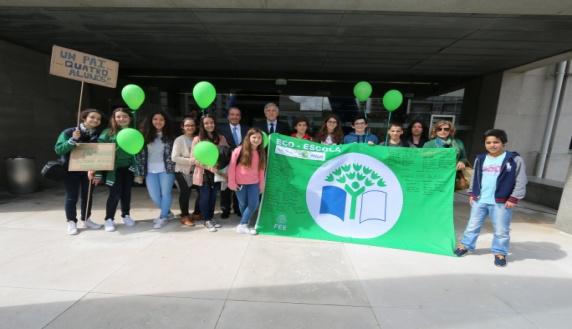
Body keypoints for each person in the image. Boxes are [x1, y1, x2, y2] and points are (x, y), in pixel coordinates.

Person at [454, 129, 527, 267]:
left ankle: (500, 252)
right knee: (472, 226)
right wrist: (472, 193)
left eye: (496, 142)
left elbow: (521, 180)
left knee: (501, 229)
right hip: (480, 200)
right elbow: (475, 177)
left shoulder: (514, 159)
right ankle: (466, 245)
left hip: (501, 202)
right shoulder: (480, 158)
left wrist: (514, 198)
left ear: (503, 143)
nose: (492, 145)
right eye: (488, 142)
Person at [55, 109, 104, 235]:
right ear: (84, 118)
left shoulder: (98, 135)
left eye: (98, 119)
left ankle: (86, 219)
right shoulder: (69, 132)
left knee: (87, 196)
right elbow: (59, 149)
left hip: (89, 170)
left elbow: (100, 153)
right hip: (71, 170)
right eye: (92, 117)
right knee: (72, 197)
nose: (95, 120)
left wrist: (96, 170)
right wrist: (72, 140)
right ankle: (71, 222)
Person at [93, 108, 137, 232]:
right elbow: (100, 153)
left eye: (125, 116)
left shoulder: (134, 132)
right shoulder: (107, 132)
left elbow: (137, 152)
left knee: (126, 193)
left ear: (130, 118)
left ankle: (126, 215)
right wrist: (98, 173)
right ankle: (109, 218)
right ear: (114, 118)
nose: (121, 119)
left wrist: (138, 171)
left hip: (128, 168)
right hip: (113, 170)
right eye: (118, 117)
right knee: (115, 194)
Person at [135, 111, 176, 229]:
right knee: (154, 195)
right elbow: (138, 154)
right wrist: (139, 172)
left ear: (165, 122)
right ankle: (168, 212)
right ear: (151, 121)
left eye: (161, 119)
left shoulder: (170, 136)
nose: (158, 122)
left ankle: (163, 217)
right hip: (150, 170)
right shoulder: (143, 136)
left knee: (165, 194)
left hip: (166, 169)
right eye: (155, 119)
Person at [191, 114, 229, 232]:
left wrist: (218, 165)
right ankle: (206, 220)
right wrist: (208, 166)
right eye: (206, 123)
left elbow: (226, 154)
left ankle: (211, 218)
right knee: (205, 196)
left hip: (217, 173)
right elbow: (193, 159)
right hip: (204, 174)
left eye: (211, 122)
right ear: (202, 125)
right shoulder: (197, 139)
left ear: (215, 123)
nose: (209, 125)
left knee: (213, 197)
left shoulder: (221, 138)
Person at [228, 128, 266, 235]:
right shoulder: (239, 150)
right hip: (240, 183)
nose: (256, 140)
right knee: (243, 204)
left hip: (254, 183)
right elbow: (232, 167)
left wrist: (261, 185)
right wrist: (232, 182)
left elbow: (261, 170)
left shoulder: (261, 152)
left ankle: (242, 224)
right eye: (254, 137)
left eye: (259, 138)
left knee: (254, 204)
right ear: (248, 138)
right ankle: (245, 224)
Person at [217, 106, 248, 219]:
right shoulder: (221, 129)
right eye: (232, 114)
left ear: (240, 117)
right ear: (228, 116)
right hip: (227, 162)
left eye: (237, 115)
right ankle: (225, 209)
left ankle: (238, 208)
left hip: (242, 162)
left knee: (239, 186)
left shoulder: (247, 129)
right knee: (225, 187)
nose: (235, 117)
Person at [172, 116, 200, 226]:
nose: (190, 127)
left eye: (192, 125)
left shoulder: (198, 138)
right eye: (187, 125)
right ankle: (185, 216)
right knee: (185, 193)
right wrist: (191, 161)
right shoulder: (179, 140)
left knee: (202, 192)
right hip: (181, 171)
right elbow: (174, 157)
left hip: (196, 171)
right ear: (182, 127)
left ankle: (197, 213)